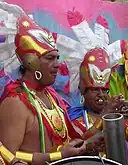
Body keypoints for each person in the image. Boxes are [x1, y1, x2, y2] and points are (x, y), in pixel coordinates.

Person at [0, 14, 100, 165]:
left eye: (57, 58)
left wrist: (100, 127)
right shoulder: (15, 102)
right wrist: (58, 156)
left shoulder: (52, 96)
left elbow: (71, 141)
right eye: (50, 58)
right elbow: (7, 157)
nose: (58, 64)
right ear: (30, 62)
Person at [68, 47, 128, 151]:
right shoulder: (74, 118)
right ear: (83, 91)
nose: (101, 95)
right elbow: (78, 146)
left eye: (104, 90)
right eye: (95, 90)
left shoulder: (114, 117)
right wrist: (104, 114)